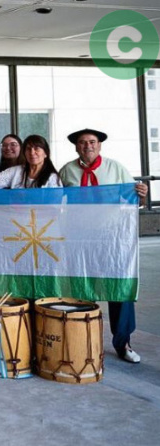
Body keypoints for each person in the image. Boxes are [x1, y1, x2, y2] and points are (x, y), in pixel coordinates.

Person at [59, 128, 148, 364]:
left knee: (119, 287)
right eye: (82, 142)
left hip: (112, 238)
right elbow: (56, 201)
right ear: (76, 147)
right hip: (80, 238)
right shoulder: (67, 170)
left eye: (92, 142)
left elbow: (133, 200)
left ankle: (123, 342)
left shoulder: (115, 168)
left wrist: (142, 195)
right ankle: (80, 339)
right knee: (80, 287)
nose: (87, 146)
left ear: (99, 145)